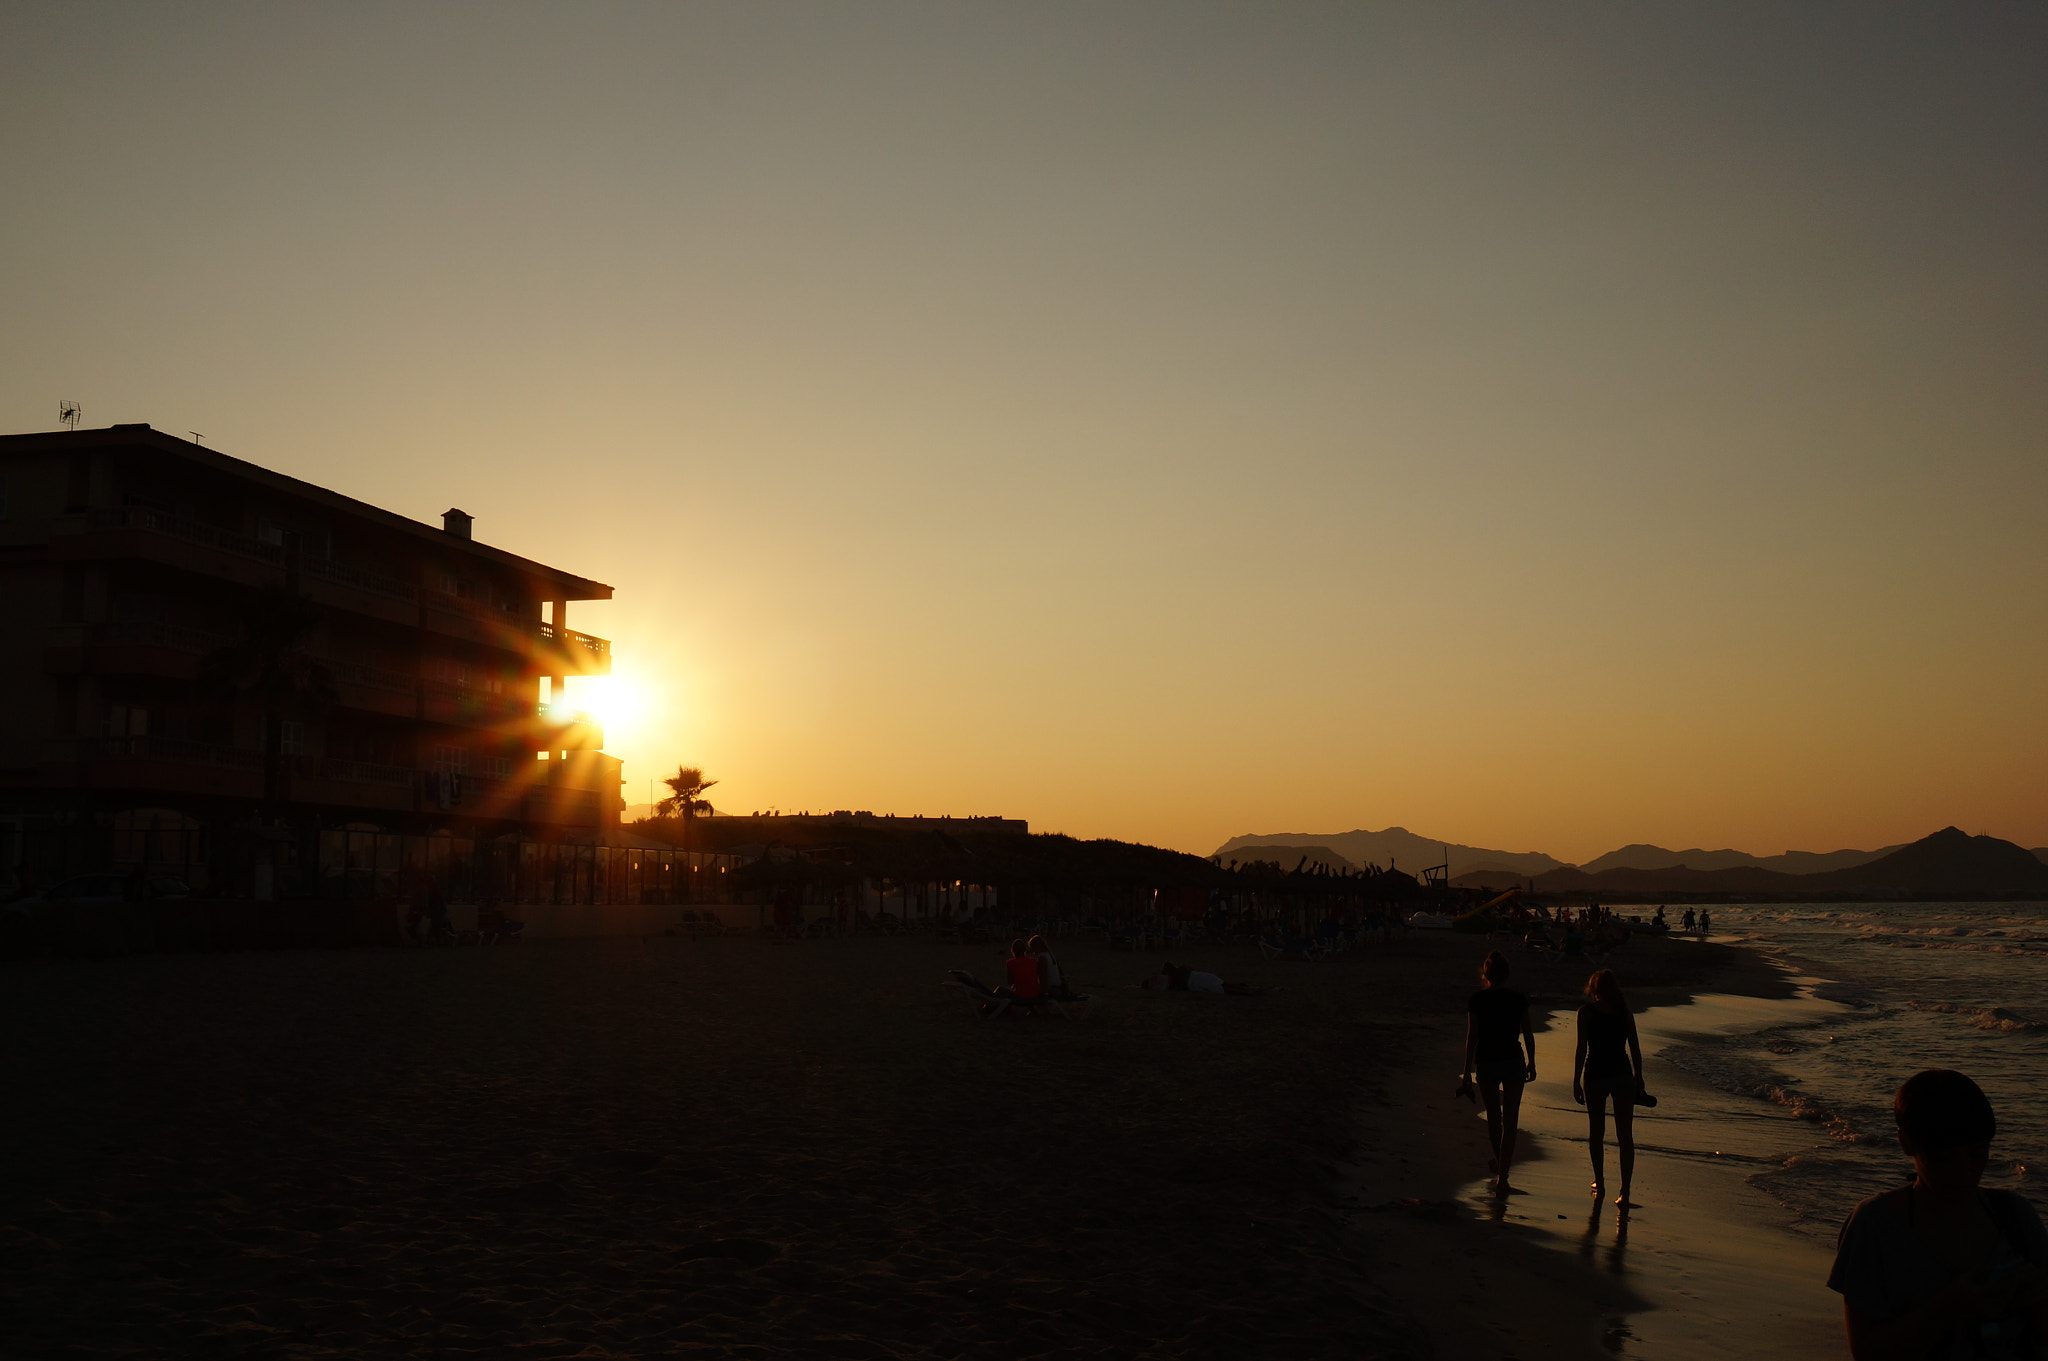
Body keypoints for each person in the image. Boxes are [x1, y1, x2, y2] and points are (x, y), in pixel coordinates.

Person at [1829, 1069, 2048, 1359]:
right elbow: (1868, 1351)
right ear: (1905, 1142)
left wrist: (2035, 1301)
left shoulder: (2015, 1216)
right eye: (1943, 1158)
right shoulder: (1875, 1225)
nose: (1963, 1172)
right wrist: (1950, 1308)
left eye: (1976, 1154)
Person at [1461, 950, 1536, 1194]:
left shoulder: (1477, 1000)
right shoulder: (1518, 999)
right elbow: (1527, 1032)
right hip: (1513, 1060)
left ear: (1486, 974)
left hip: (1487, 1062)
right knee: (1510, 1120)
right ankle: (1502, 1176)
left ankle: (1501, 1167)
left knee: (1494, 1118)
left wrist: (1466, 1071)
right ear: (1507, 974)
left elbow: (1472, 1037)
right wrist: (1532, 1061)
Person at [1573, 968, 1646, 1206]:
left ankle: (1600, 1181)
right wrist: (1639, 1077)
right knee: (1625, 1135)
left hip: (1595, 1073)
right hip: (1622, 1074)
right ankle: (1625, 1190)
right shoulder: (1624, 1013)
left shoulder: (1586, 1013)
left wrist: (1575, 1079)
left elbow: (1581, 1048)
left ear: (1593, 990)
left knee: (1597, 1132)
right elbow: (1634, 1047)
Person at [1028, 935, 1069, 1000]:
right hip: (1058, 986)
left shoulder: (1042, 958)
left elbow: (1043, 977)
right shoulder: (1050, 955)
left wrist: (1044, 993)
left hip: (1052, 988)